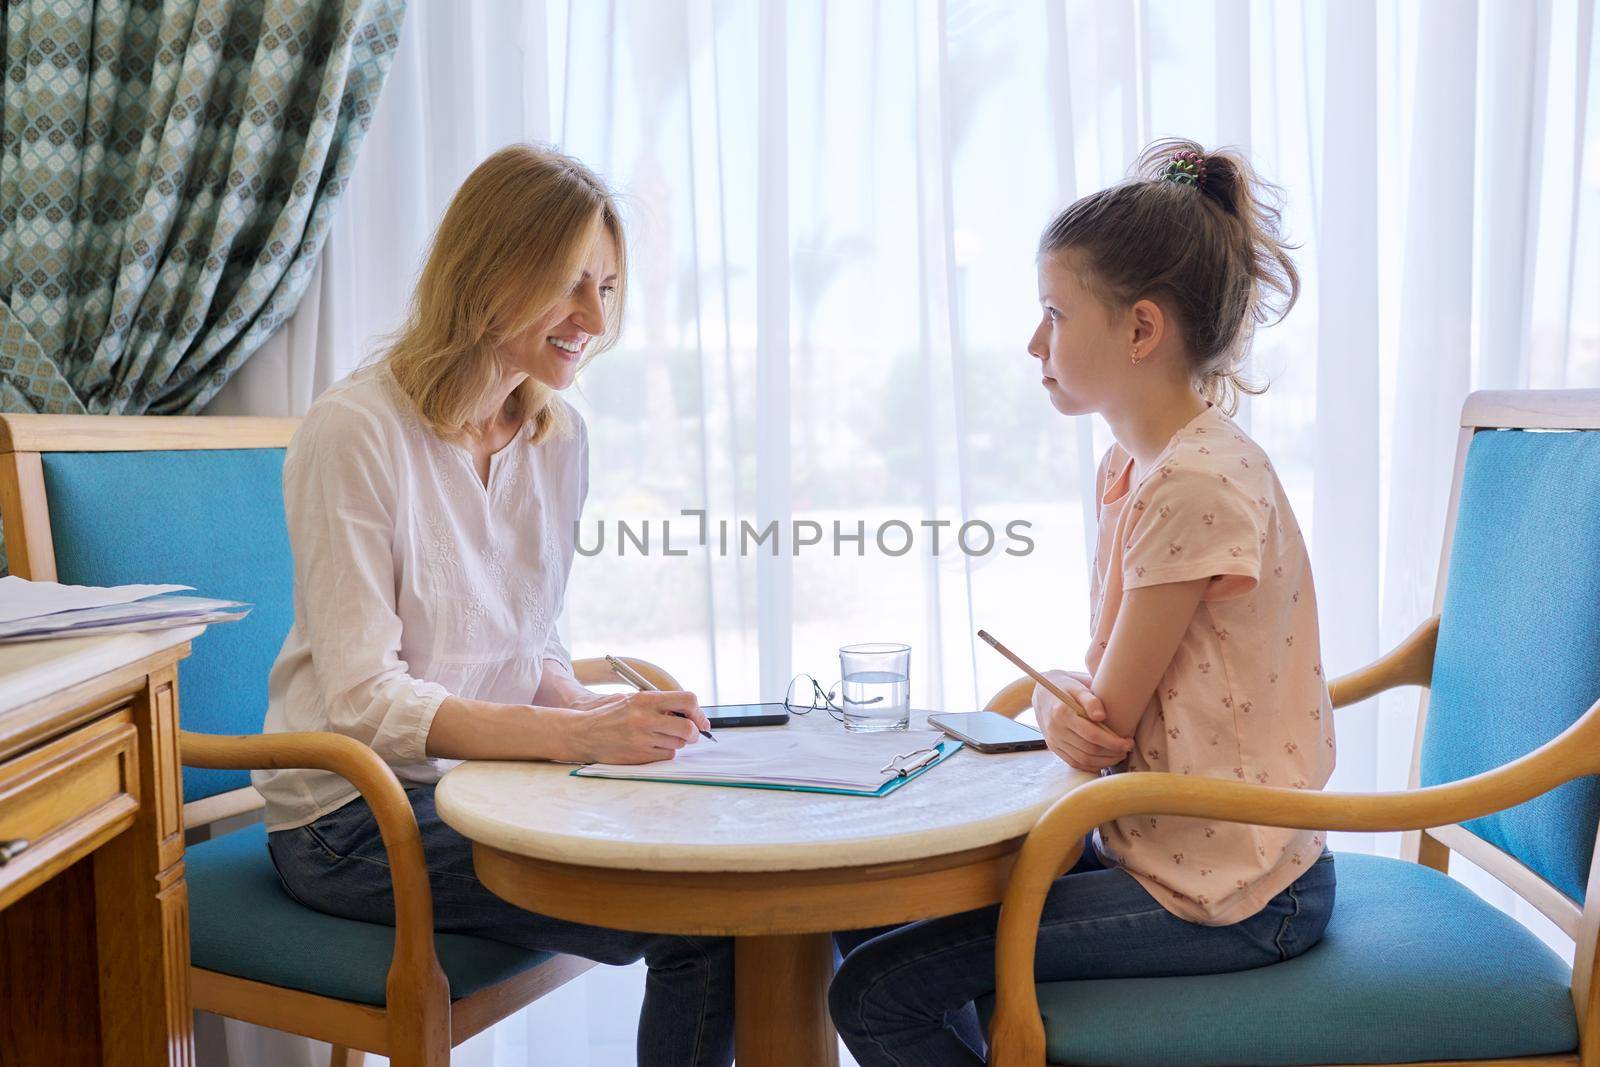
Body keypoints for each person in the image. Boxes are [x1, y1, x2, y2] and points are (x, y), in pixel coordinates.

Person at [828, 140, 1337, 1067]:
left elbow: (1102, 721)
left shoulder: (1193, 483)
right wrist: (1070, 696)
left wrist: (1070, 697)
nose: (1034, 345)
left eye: (1054, 315)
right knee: (856, 923)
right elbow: (1102, 707)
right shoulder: (1135, 466)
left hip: (1237, 891)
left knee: (874, 986)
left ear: (1141, 329)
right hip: (1171, 850)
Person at [255, 145, 732, 1067]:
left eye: (607, 286)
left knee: (716, 856)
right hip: (352, 818)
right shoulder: (355, 431)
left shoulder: (559, 436)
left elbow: (526, 643)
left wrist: (596, 713)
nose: (596, 318)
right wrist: (576, 740)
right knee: (703, 918)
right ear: (488, 274)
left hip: (480, 785)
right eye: (571, 284)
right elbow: (364, 703)